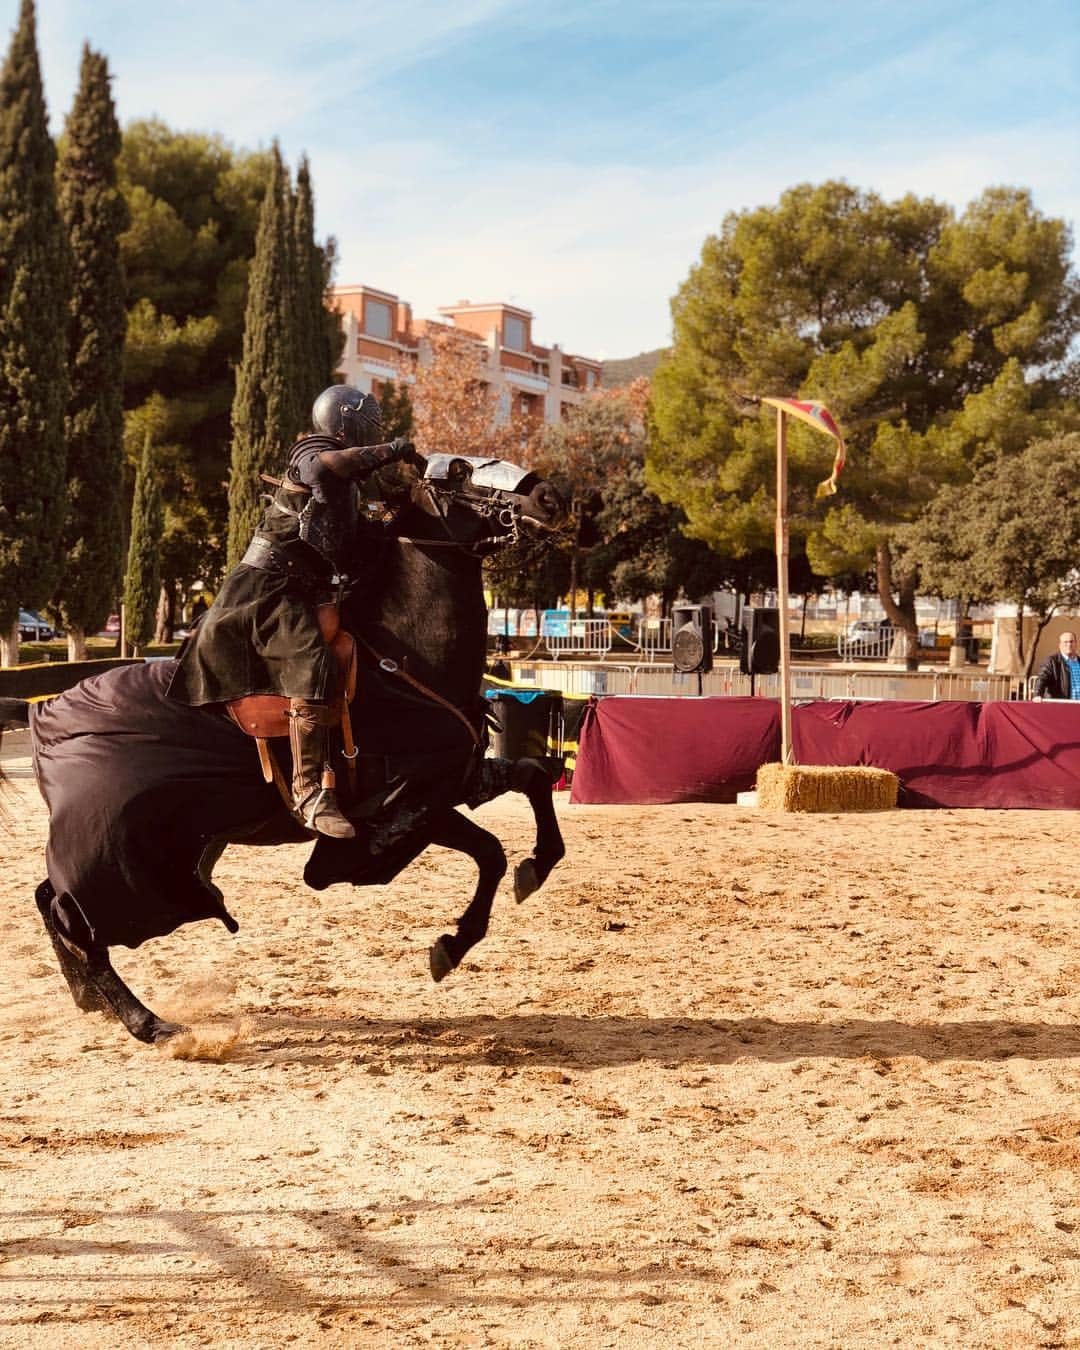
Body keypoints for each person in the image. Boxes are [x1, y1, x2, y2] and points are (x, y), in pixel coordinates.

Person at [168, 385, 422, 838]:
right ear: (345, 422)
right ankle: (309, 793)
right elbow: (323, 469)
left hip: (304, 591)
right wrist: (392, 450)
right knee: (313, 662)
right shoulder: (314, 449)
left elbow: (365, 540)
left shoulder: (349, 494)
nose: (375, 430)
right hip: (265, 590)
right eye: (370, 423)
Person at [1032, 630, 1080, 700]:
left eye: (1071, 641)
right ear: (1060, 645)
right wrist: (1037, 694)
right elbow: (1042, 678)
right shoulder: (1052, 661)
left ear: (1076, 643)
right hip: (1062, 705)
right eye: (1065, 642)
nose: (1069, 644)